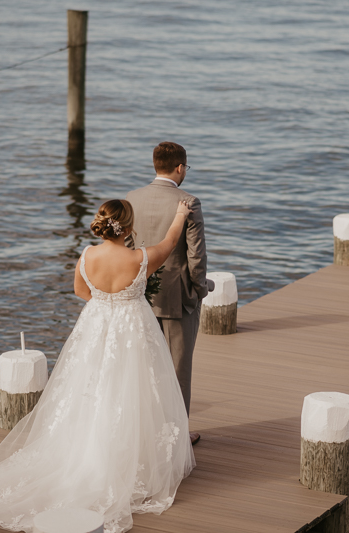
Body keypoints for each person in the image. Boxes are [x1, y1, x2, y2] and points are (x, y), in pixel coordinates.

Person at [0, 199, 196, 533]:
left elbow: (79, 290)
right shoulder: (140, 258)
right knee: (130, 392)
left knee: (87, 392)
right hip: (132, 330)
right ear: (128, 228)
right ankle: (127, 462)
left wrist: (105, 304)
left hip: (95, 326)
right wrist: (181, 214)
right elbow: (170, 242)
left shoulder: (86, 256)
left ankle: (86, 456)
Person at [126, 142, 213, 445]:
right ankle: (175, 436)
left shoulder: (131, 200)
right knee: (178, 370)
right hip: (179, 298)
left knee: (145, 366)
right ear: (179, 168)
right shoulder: (188, 201)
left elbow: (126, 251)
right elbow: (196, 257)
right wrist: (201, 290)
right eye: (186, 168)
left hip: (139, 297)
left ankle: (145, 430)